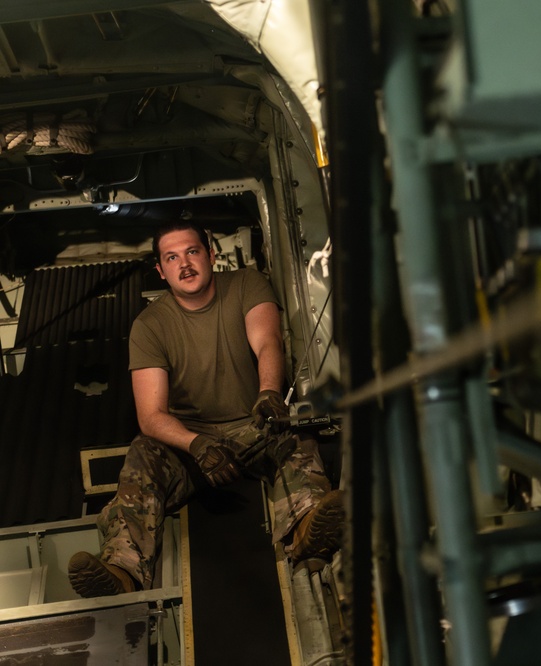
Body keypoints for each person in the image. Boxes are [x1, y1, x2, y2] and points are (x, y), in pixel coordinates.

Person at [68, 220, 343, 597]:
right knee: (142, 455)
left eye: (192, 252)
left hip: (253, 425)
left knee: (293, 437)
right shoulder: (149, 326)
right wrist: (196, 444)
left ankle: (308, 527)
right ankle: (122, 572)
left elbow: (267, 341)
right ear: (161, 271)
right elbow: (151, 416)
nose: (185, 264)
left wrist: (268, 392)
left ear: (211, 255)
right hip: (190, 446)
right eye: (172, 257)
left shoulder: (246, 284)